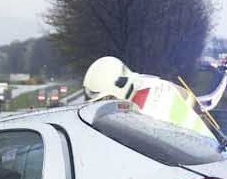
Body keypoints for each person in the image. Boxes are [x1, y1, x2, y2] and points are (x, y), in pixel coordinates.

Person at [82, 55, 216, 139]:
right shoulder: (155, 82)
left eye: (106, 99)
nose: (103, 105)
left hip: (195, 163)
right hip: (210, 146)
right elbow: (194, 105)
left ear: (119, 88)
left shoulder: (136, 117)